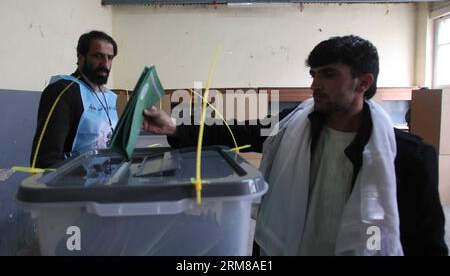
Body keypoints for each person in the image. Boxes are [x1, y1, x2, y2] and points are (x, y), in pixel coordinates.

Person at [143, 35, 447, 256]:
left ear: (363, 82)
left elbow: (426, 244)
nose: (315, 84)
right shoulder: (294, 125)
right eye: (313, 74)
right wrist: (174, 127)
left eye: (328, 74)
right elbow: (237, 133)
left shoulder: (409, 157)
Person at [30, 30, 118, 168]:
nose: (105, 64)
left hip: (106, 180)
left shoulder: (109, 96)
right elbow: (45, 160)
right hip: (76, 185)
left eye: (110, 57)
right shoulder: (63, 92)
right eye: (98, 56)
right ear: (81, 57)